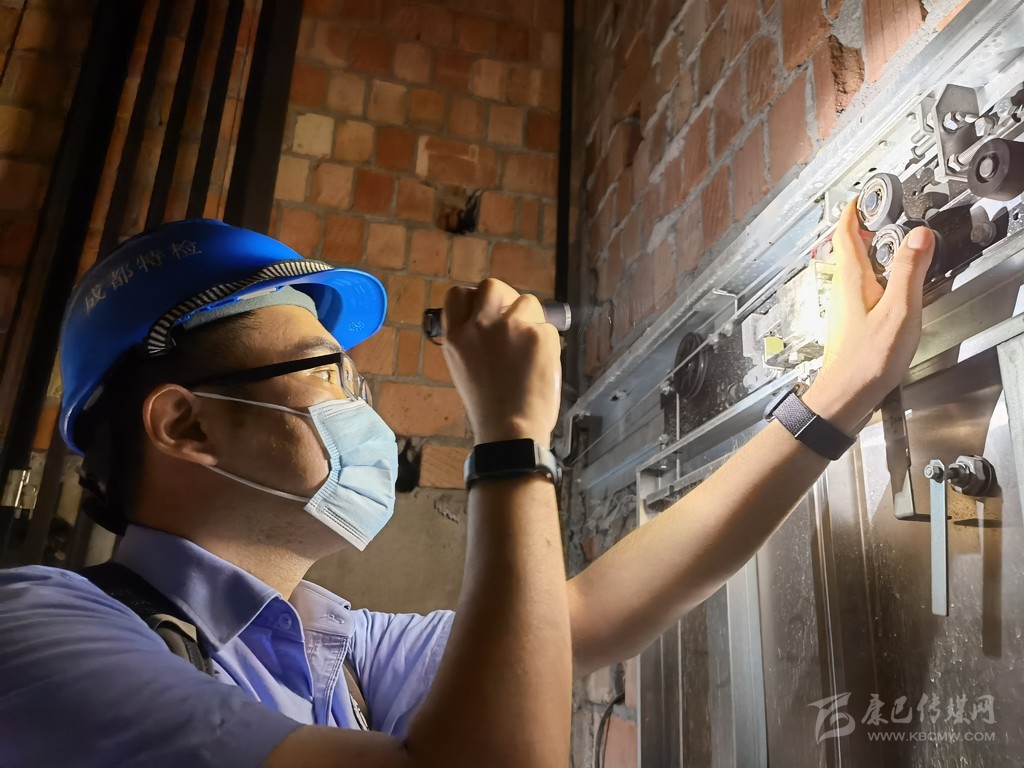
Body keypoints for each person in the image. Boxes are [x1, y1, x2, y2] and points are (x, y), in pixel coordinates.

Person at [0, 202, 933, 767]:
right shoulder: (37, 637)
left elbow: (583, 617)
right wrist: (511, 440)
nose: (359, 407)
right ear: (186, 425)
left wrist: (838, 395)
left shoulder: (333, 646)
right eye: (327, 374)